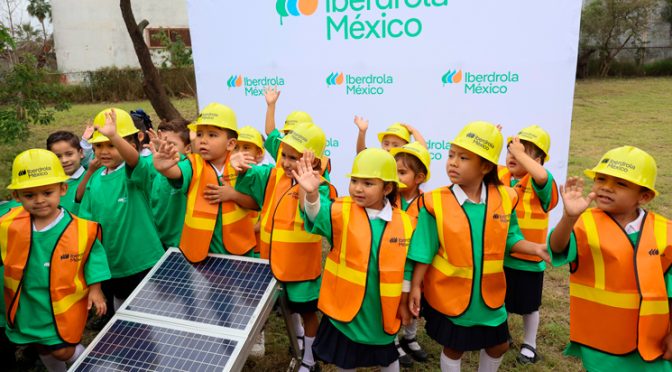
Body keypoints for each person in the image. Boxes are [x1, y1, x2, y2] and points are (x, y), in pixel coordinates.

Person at [407, 121, 550, 372]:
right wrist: (415, 285)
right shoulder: (434, 202)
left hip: (491, 295)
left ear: (485, 166)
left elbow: (510, 237)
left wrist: (535, 248)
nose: (453, 162)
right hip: (452, 296)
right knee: (454, 348)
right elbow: (423, 249)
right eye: (451, 155)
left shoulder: (506, 197)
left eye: (463, 158)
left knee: (498, 346)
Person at [548, 145, 672, 372]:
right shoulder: (584, 224)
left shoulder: (666, 232)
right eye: (601, 179)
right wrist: (569, 217)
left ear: (643, 196)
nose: (606, 188)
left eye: (621, 183)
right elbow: (557, 247)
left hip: (650, 345)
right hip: (601, 343)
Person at [294, 148, 415, 372]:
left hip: (380, 311)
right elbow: (315, 215)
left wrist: (407, 300)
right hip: (345, 311)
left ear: (387, 188)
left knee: (387, 357)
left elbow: (408, 265)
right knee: (345, 359)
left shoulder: (406, 223)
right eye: (355, 181)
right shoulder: (341, 211)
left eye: (368, 183)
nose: (358, 188)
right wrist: (310, 194)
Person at [233, 121, 336, 371]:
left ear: (313, 160)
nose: (287, 163)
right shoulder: (273, 175)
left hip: (301, 268)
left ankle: (310, 360)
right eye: (285, 156)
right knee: (287, 306)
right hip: (273, 263)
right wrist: (240, 168)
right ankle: (298, 338)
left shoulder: (321, 187)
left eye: (295, 158)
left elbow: (314, 213)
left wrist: (307, 187)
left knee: (308, 312)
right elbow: (250, 175)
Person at [1, 149, 110, 372]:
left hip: (62, 306)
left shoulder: (81, 229)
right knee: (42, 347)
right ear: (17, 197)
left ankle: (90, 366)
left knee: (63, 350)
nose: (39, 200)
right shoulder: (7, 225)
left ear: (62, 189)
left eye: (47, 192)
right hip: (29, 303)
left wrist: (96, 289)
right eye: (30, 195)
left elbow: (93, 257)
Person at [79, 108, 165, 311]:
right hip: (111, 268)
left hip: (145, 264)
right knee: (126, 323)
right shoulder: (95, 180)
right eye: (98, 145)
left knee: (153, 317)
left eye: (112, 145)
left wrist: (114, 135)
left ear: (132, 144)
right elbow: (87, 230)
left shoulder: (135, 171)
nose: (104, 151)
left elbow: (134, 160)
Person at [151, 103, 258, 262]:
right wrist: (163, 168)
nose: (203, 141)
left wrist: (233, 195)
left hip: (240, 253)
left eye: (212, 135)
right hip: (202, 253)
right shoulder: (193, 164)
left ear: (230, 144)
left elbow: (256, 204)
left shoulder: (242, 166)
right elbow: (176, 173)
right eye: (199, 134)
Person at [497, 125, 558, 364]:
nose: (514, 156)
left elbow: (541, 176)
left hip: (529, 260)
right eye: (511, 151)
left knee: (529, 306)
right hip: (499, 257)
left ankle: (529, 344)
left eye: (523, 152)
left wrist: (520, 154)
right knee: (497, 300)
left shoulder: (541, 181)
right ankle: (503, 336)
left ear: (539, 160)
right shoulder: (499, 176)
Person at [388, 142, 431, 367]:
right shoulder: (387, 198)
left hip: (416, 266)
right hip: (391, 264)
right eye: (394, 171)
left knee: (415, 302)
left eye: (402, 172)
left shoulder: (427, 203)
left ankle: (410, 337)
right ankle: (393, 340)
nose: (396, 177)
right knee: (395, 301)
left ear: (419, 177)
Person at [149, 119, 191, 249]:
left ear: (188, 148)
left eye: (171, 144)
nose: (166, 147)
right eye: (162, 143)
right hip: (161, 244)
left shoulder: (188, 167)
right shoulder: (155, 168)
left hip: (184, 245)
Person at [46, 131, 90, 214]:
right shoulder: (49, 184)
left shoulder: (92, 179)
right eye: (58, 156)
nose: (64, 160)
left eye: (69, 154)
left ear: (81, 153)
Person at [354, 117, 426, 153]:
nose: (389, 148)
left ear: (406, 146)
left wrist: (414, 131)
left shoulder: (407, 162)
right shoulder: (379, 158)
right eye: (386, 144)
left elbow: (423, 151)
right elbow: (361, 154)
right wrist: (362, 132)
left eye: (395, 145)